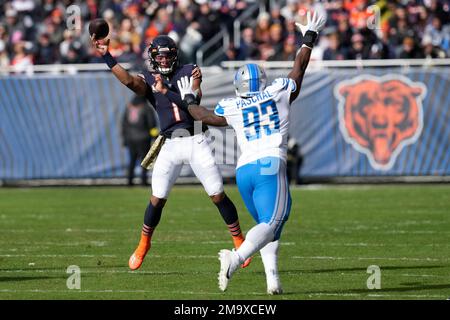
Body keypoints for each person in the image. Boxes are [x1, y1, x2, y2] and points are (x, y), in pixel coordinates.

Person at [171, 10, 325, 294]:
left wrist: (189, 97)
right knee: (273, 221)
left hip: (244, 171)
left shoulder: (232, 105)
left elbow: (202, 115)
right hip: (269, 164)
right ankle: (236, 258)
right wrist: (309, 37)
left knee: (267, 227)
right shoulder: (278, 91)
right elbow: (299, 68)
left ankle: (273, 281)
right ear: (262, 82)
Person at [91, 34, 251, 271]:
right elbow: (128, 81)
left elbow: (195, 97)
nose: (164, 60)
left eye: (167, 56)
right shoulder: (148, 78)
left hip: (196, 138)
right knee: (157, 199)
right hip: (170, 144)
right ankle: (144, 242)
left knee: (217, 194)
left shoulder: (189, 70)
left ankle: (239, 239)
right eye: (160, 56)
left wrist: (174, 91)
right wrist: (106, 55)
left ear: (174, 56)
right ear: (153, 57)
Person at [121, 95, 158, 186]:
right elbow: (152, 124)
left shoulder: (128, 108)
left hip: (130, 138)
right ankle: (143, 181)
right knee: (144, 161)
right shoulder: (146, 108)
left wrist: (125, 138)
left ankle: (129, 181)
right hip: (144, 138)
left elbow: (124, 124)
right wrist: (155, 137)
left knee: (132, 160)